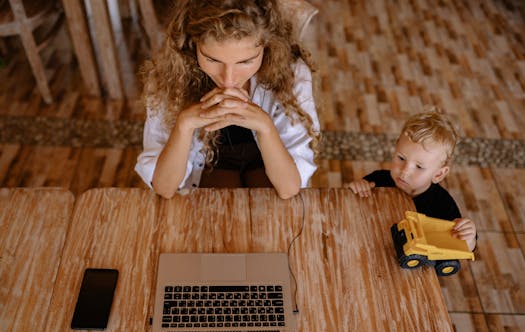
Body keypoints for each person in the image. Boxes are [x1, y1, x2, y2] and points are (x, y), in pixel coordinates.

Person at [135, 0, 320, 200]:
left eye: (246, 61)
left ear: (267, 46)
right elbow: (164, 187)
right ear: (192, 43)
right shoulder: (167, 77)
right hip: (211, 162)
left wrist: (265, 127)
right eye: (212, 60)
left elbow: (288, 188)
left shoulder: (294, 74)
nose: (229, 80)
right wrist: (184, 126)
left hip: (269, 163)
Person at [348, 110, 477, 251]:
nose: (405, 171)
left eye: (419, 167)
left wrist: (469, 238)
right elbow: (352, 201)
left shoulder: (443, 204)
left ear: (438, 175)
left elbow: (463, 247)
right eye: (401, 158)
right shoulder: (378, 179)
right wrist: (358, 186)